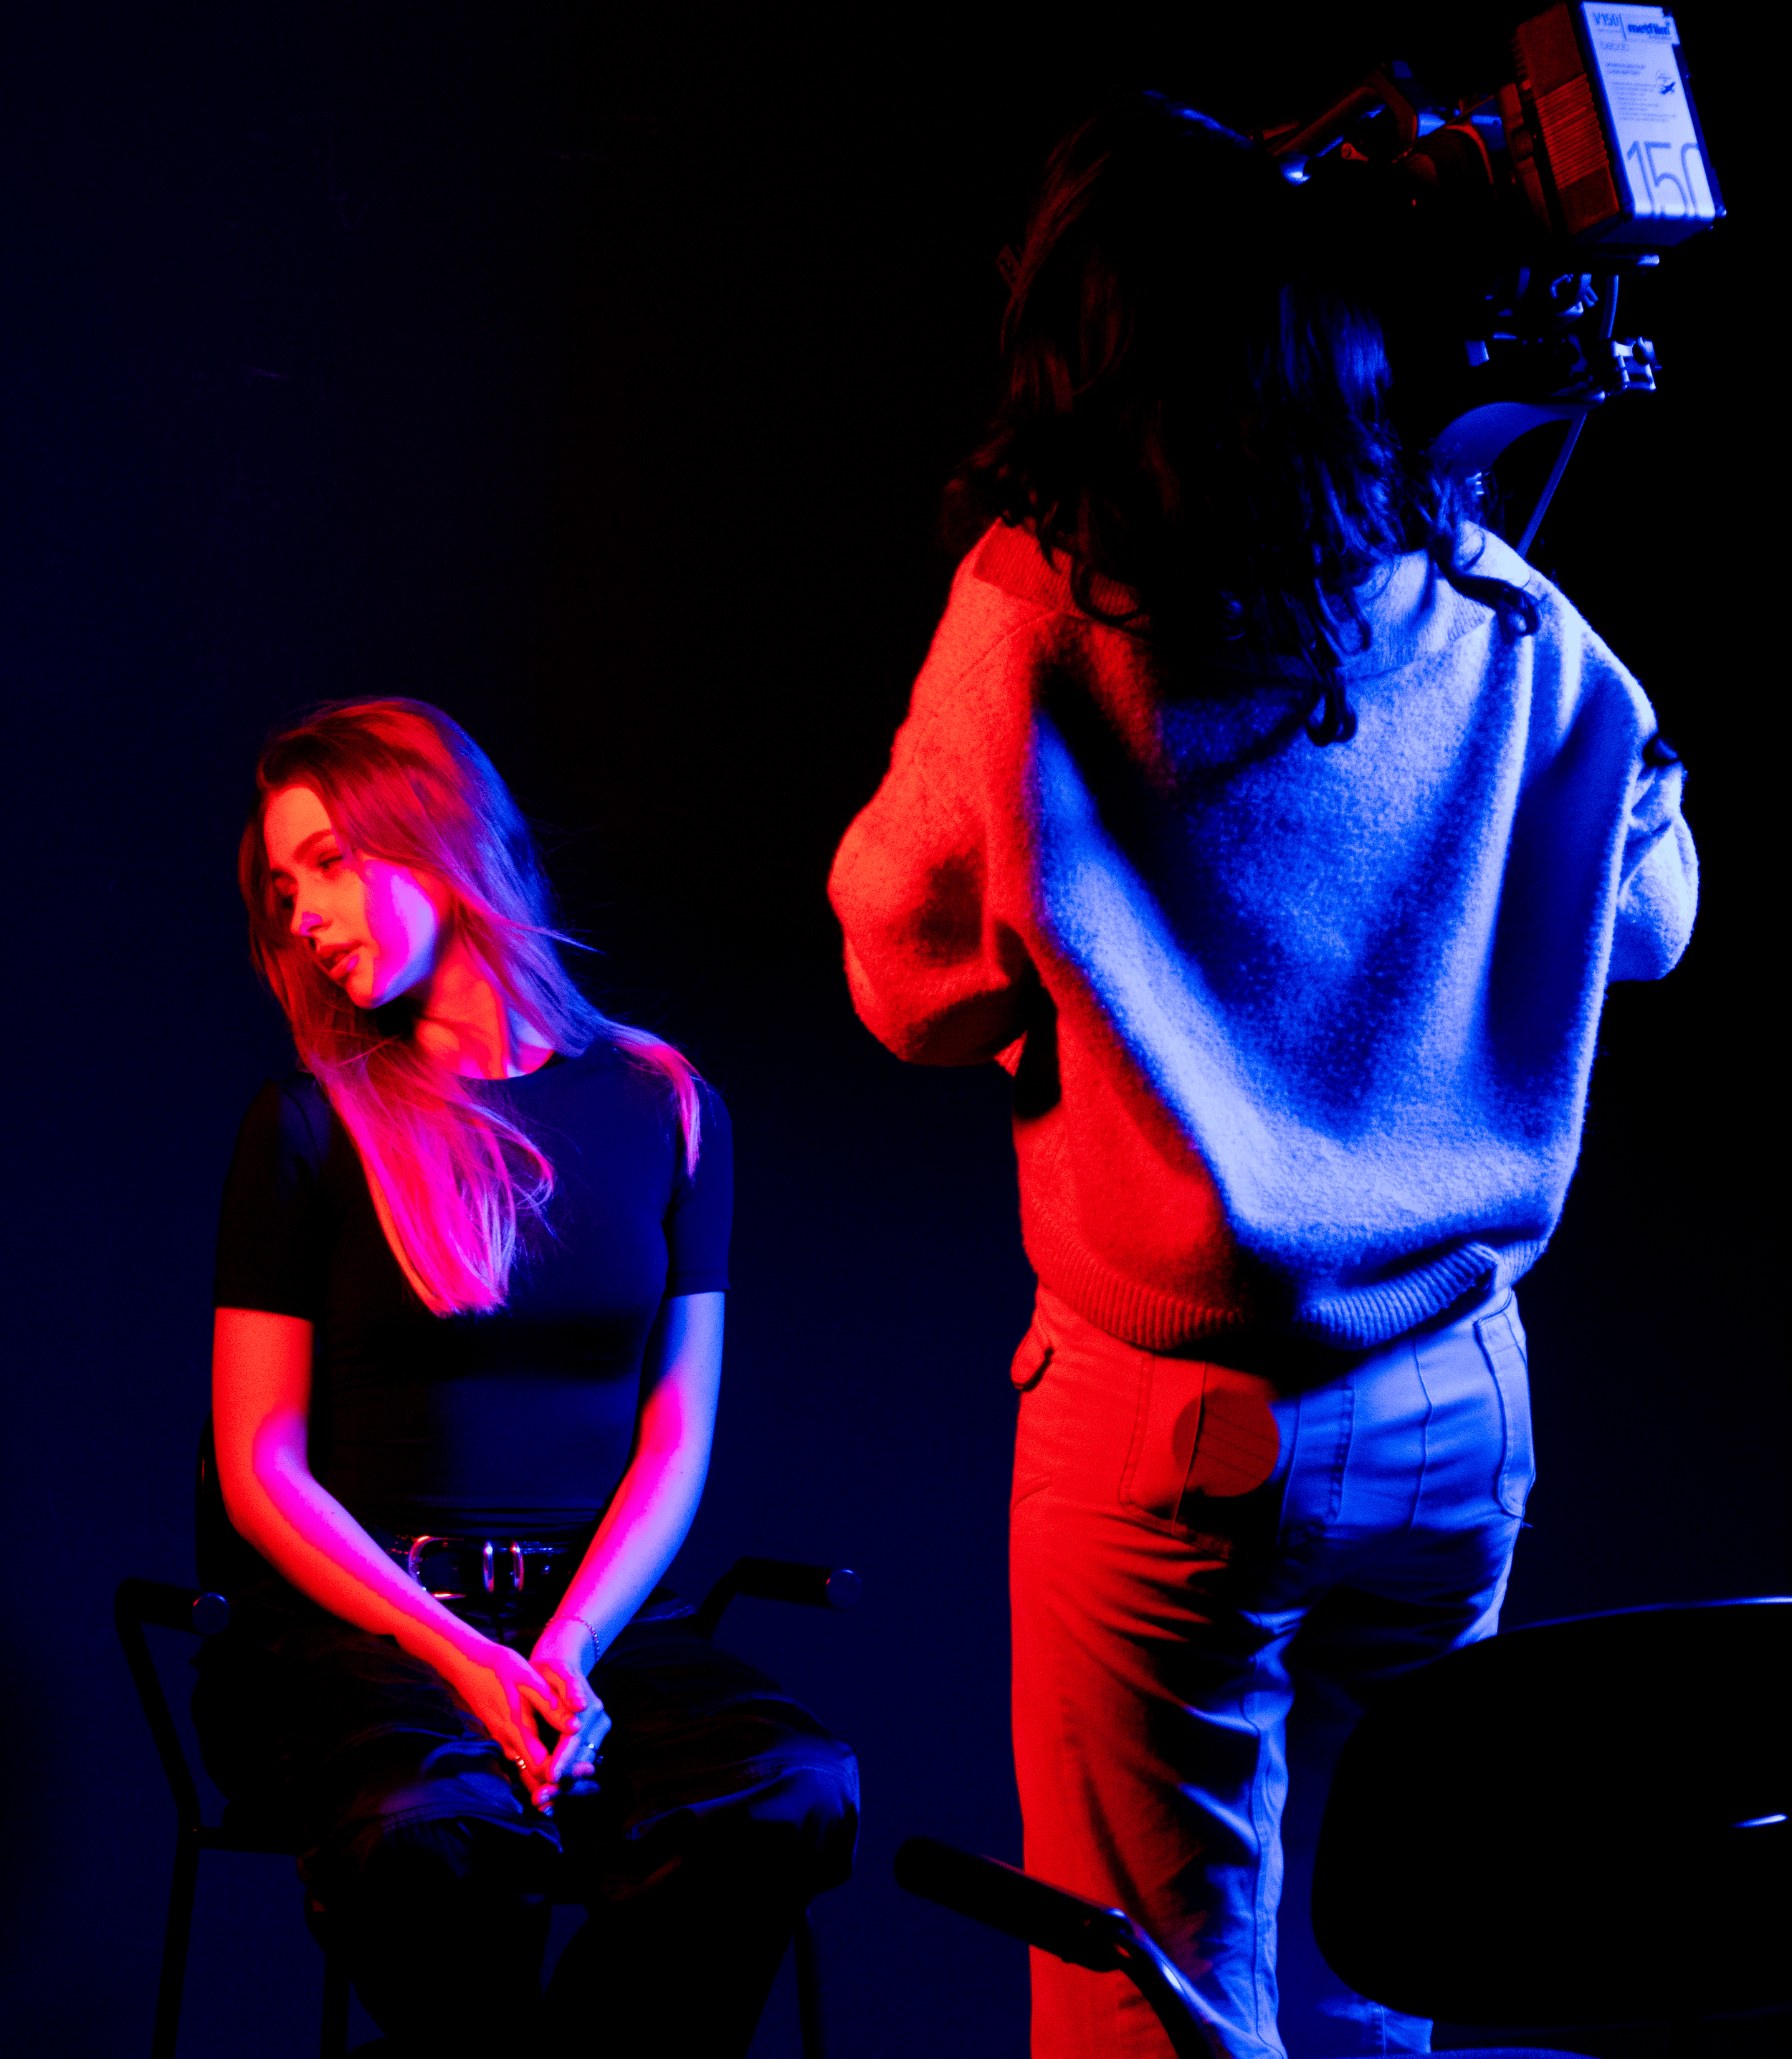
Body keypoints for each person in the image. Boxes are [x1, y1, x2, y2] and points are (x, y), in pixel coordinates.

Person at [827, 96, 1696, 2059]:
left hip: (1178, 1428)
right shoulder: (1515, 630)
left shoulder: (1034, 620)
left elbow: (904, 981)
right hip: (1457, 1411)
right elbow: (1647, 923)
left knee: (1146, 2016)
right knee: (1392, 1969)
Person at [196, 698, 857, 2054]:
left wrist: (561, 1651)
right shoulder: (309, 1127)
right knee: (433, 1836)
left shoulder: (666, 1104)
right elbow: (260, 1466)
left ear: (435, 838)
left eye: (329, 861)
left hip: (602, 1630)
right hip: (372, 1639)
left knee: (794, 1788)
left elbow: (675, 1438)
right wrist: (457, 1650)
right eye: (281, 886)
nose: (304, 913)